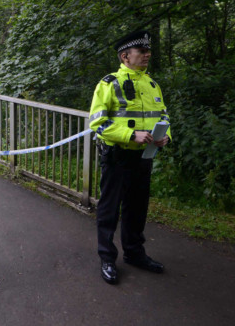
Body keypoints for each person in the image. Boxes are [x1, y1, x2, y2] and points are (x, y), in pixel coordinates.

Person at [89, 30, 171, 285]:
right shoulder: (108, 83)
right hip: (117, 157)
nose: (147, 54)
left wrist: (165, 135)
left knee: (137, 209)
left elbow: (164, 115)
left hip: (144, 158)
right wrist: (130, 134)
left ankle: (135, 254)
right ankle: (107, 258)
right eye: (142, 51)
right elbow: (97, 123)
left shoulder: (152, 84)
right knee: (109, 210)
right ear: (125, 56)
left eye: (148, 51)